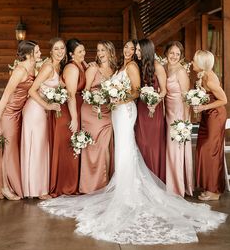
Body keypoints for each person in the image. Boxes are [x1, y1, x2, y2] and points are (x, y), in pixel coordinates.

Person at [40, 40, 227, 245]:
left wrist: (118, 99)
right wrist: (111, 96)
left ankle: (127, 188)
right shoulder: (123, 65)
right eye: (129, 48)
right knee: (122, 147)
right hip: (116, 111)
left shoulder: (131, 67)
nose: (131, 51)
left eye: (134, 48)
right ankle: (121, 182)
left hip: (125, 110)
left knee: (125, 146)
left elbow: (136, 90)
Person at [0, 40, 40, 200]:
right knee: (8, 151)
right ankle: (4, 187)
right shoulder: (19, 71)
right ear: (28, 54)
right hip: (9, 114)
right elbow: (5, 96)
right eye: (37, 51)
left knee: (13, 150)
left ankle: (11, 184)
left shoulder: (34, 67)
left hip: (20, 113)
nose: (40, 53)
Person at [21, 38, 66, 199]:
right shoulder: (47, 67)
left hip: (41, 111)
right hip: (35, 110)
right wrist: (48, 106)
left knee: (40, 148)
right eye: (56, 49)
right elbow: (32, 91)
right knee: (36, 148)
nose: (60, 51)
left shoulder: (58, 66)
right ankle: (36, 191)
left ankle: (39, 188)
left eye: (62, 48)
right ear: (51, 52)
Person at [50, 38, 86, 197]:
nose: (83, 53)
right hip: (68, 113)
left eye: (84, 50)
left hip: (75, 110)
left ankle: (70, 183)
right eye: (80, 52)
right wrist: (74, 118)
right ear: (71, 54)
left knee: (72, 147)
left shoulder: (81, 65)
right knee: (68, 147)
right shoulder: (72, 68)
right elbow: (71, 95)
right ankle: (66, 186)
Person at [79, 41, 116, 193]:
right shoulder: (93, 69)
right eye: (99, 50)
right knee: (92, 148)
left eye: (103, 50)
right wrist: (92, 100)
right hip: (91, 112)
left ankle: (104, 183)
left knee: (105, 148)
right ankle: (91, 186)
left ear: (110, 52)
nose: (100, 53)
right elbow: (85, 91)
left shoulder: (115, 71)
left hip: (107, 112)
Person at [192, 50, 227, 201]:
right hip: (208, 115)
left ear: (200, 63)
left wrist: (203, 107)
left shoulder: (210, 79)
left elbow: (224, 100)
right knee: (203, 149)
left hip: (215, 116)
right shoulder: (202, 75)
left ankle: (215, 191)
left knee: (210, 151)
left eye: (194, 60)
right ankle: (209, 187)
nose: (192, 62)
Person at [164, 41, 193, 197]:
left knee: (175, 147)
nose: (174, 56)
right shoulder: (165, 67)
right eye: (172, 53)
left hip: (178, 113)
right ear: (167, 53)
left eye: (177, 54)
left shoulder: (181, 71)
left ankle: (177, 186)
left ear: (181, 56)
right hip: (167, 111)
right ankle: (170, 182)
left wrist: (185, 122)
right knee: (169, 147)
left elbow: (186, 97)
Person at [135, 39, 166, 182]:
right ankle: (142, 180)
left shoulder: (158, 66)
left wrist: (154, 102)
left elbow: (164, 90)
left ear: (146, 51)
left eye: (139, 50)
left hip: (154, 109)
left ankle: (155, 179)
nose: (136, 53)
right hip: (141, 108)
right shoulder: (138, 66)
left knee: (152, 143)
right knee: (141, 142)